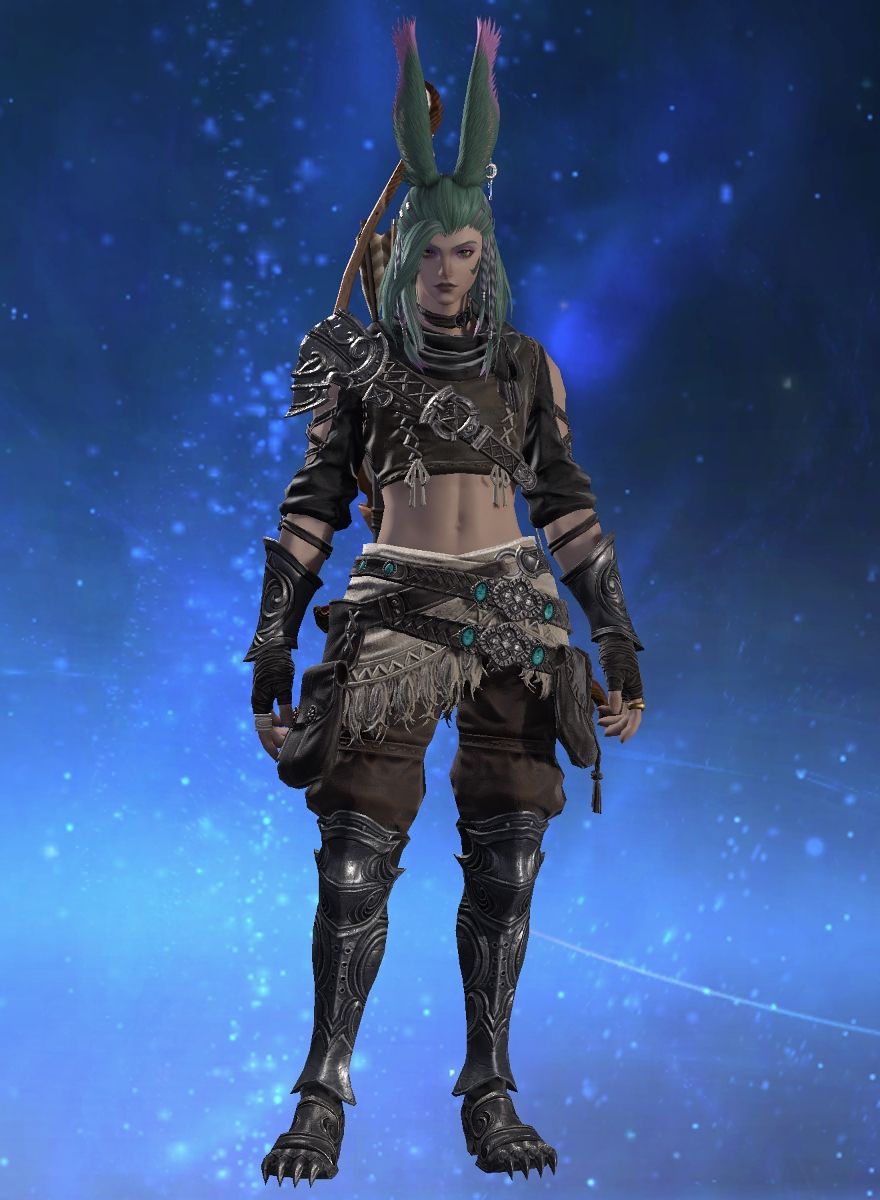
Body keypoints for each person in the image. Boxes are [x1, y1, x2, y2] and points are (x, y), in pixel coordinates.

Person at [246, 17, 645, 1187]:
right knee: (353, 859)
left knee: (508, 857)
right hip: (393, 616)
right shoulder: (362, 368)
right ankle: (323, 1088)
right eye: (431, 252)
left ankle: (489, 1085)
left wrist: (616, 635)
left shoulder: (524, 367)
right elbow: (311, 508)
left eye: (466, 250)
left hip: (516, 613)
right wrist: (272, 642)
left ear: (486, 254)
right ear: (402, 257)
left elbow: (566, 506)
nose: (449, 270)